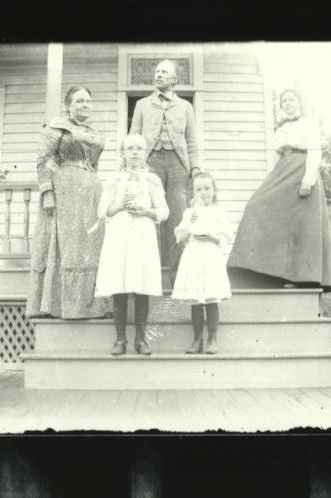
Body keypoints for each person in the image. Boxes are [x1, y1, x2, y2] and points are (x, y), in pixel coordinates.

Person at [227, 89, 331, 291]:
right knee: (256, 206)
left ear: (299, 102)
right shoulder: (279, 131)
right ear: (281, 106)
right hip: (283, 170)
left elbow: (315, 152)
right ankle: (265, 274)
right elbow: (275, 158)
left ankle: (302, 278)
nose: (288, 104)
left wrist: (308, 180)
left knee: (301, 225)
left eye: (292, 100)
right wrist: (272, 181)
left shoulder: (309, 124)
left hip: (302, 169)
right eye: (284, 101)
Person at [26, 86, 109, 319]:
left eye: (88, 102)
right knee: (67, 245)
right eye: (80, 101)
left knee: (89, 245)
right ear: (68, 105)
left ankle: (89, 306)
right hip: (64, 192)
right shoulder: (56, 129)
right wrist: (48, 192)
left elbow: (93, 164)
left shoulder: (93, 132)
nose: (85, 105)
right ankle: (60, 306)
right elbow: (45, 162)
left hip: (90, 191)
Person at [94, 134, 169, 356]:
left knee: (141, 285)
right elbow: (101, 211)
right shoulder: (115, 179)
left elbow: (164, 212)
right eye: (130, 148)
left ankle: (140, 339)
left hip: (143, 232)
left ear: (145, 153)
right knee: (120, 284)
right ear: (123, 153)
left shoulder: (152, 180)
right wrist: (117, 206)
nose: (135, 152)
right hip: (119, 233)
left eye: (139, 148)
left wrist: (147, 211)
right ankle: (119, 339)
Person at [130, 59, 200, 284]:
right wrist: (132, 168)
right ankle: (150, 276)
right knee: (150, 215)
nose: (159, 75)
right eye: (157, 71)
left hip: (178, 164)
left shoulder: (186, 107)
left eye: (164, 72)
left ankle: (177, 276)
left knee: (177, 216)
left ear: (174, 80)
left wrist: (196, 168)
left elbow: (191, 141)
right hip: (150, 163)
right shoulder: (142, 104)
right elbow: (134, 138)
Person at [172, 172, 232, 354]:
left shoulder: (219, 211)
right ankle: (197, 339)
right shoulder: (190, 213)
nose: (203, 192)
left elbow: (226, 237)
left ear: (214, 190)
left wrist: (213, 236)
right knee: (196, 301)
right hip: (193, 256)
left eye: (207, 188)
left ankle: (212, 338)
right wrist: (190, 225)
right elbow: (180, 237)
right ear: (193, 192)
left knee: (210, 298)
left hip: (211, 256)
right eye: (199, 189)